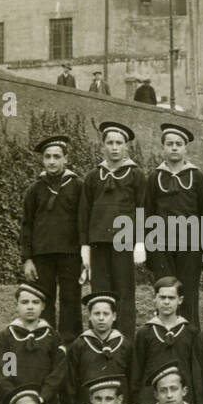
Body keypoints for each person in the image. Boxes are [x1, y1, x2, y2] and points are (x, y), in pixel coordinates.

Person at [79, 121, 146, 335]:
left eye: (119, 143)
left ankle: (125, 341)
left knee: (124, 293)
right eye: (110, 143)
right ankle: (99, 340)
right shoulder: (92, 177)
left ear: (126, 146)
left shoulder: (136, 175)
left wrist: (140, 242)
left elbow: (142, 208)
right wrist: (85, 246)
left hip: (124, 242)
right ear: (103, 146)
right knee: (100, 293)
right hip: (98, 242)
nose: (114, 147)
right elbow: (84, 212)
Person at [20, 134, 82, 340]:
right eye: (48, 157)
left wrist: (85, 253)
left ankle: (70, 344)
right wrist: (27, 259)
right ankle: (46, 340)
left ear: (66, 159)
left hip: (71, 253)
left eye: (57, 156)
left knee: (70, 299)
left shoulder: (77, 186)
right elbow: (27, 225)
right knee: (43, 298)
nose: (52, 161)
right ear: (43, 160)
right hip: (42, 254)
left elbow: (84, 221)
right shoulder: (34, 190)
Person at [144, 123, 203, 320]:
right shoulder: (155, 177)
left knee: (188, 293)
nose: (174, 147)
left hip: (190, 245)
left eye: (178, 144)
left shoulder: (196, 176)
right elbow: (146, 211)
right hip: (161, 245)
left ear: (185, 148)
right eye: (169, 143)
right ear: (163, 148)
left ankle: (189, 338)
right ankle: (163, 334)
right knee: (165, 292)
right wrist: (144, 245)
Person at [0, 282, 67, 404]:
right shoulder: (7, 337)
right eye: (24, 302)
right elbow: (4, 372)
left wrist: (42, 397)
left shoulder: (52, 337)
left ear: (43, 306)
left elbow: (58, 373)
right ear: (17, 305)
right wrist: (16, 398)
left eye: (35, 302)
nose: (30, 306)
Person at [131, 276, 196, 404]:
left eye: (171, 298)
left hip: (184, 400)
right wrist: (136, 403)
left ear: (180, 300)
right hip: (150, 401)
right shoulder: (145, 332)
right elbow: (137, 370)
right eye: (162, 297)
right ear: (155, 298)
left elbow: (195, 370)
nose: (166, 302)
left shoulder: (191, 332)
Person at [64, 292, 132, 404]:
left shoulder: (124, 344)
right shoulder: (79, 345)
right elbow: (70, 383)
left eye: (106, 313)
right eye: (96, 313)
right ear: (89, 316)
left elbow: (132, 380)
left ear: (114, 316)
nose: (101, 318)